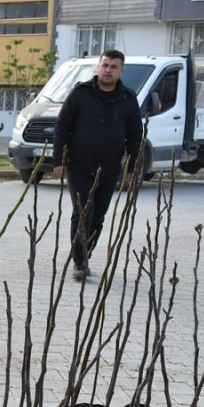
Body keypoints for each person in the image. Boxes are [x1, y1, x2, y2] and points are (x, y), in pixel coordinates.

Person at [51, 49, 142, 282]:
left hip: (110, 168)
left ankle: (85, 253)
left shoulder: (128, 100)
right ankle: (79, 262)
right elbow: (62, 127)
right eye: (105, 65)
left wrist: (133, 167)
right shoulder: (80, 94)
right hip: (79, 165)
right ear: (98, 67)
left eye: (113, 66)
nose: (108, 70)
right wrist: (58, 160)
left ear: (121, 70)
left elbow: (134, 135)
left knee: (98, 216)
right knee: (82, 213)